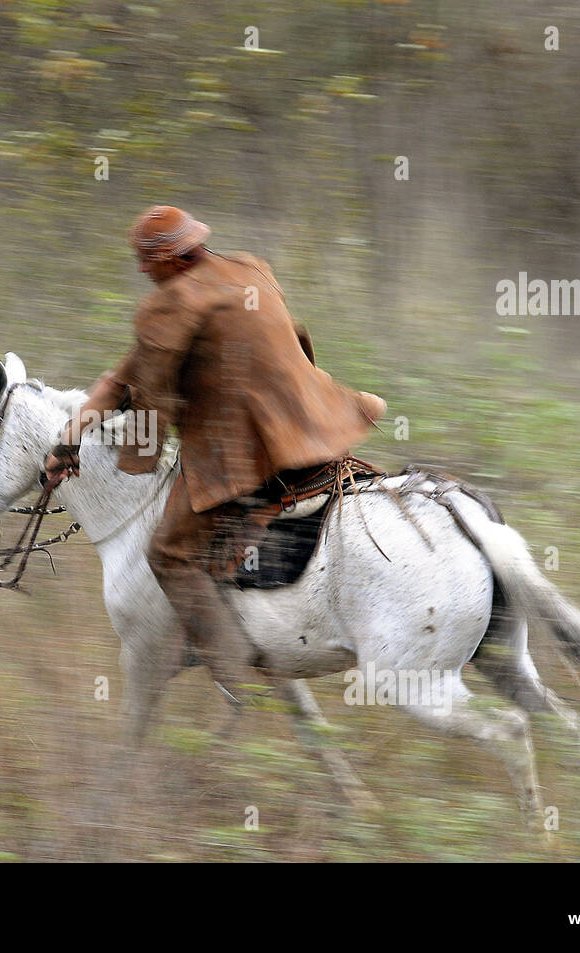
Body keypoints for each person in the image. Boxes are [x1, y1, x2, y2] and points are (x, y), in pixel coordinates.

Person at [44, 206, 386, 706]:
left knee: (168, 552)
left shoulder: (169, 306)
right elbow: (128, 374)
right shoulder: (251, 268)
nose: (141, 269)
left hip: (248, 451)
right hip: (315, 425)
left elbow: (150, 399)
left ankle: (235, 673)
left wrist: (135, 455)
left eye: (145, 260)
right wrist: (71, 434)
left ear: (172, 259)